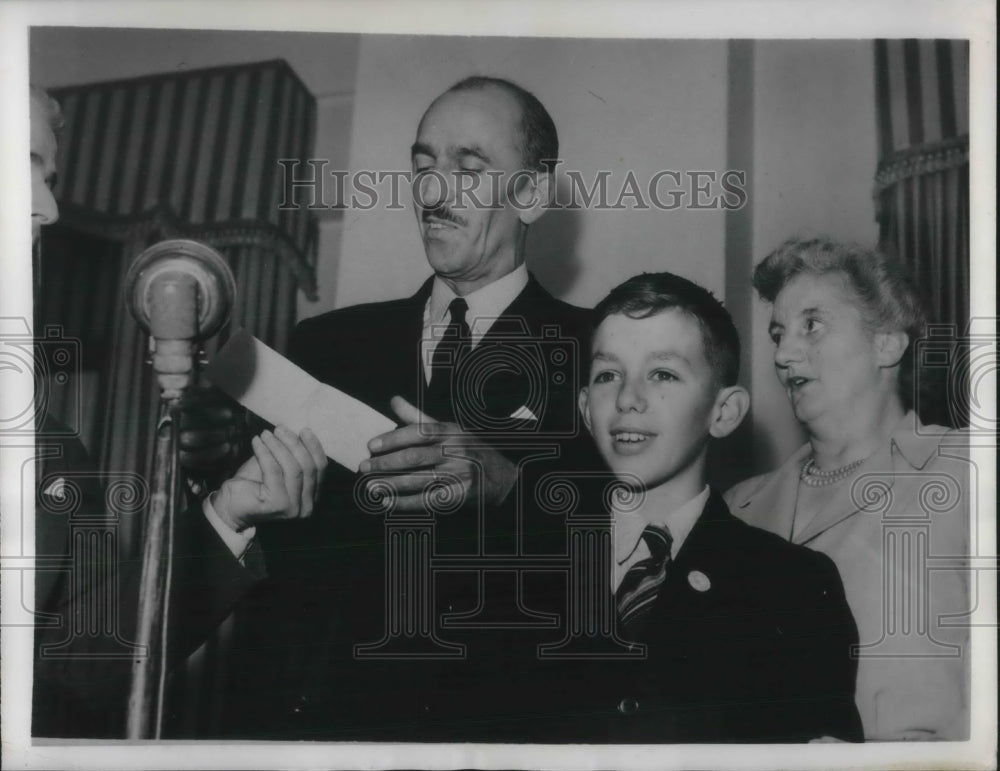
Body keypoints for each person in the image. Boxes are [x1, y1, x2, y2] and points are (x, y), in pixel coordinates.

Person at [173, 75, 603, 740]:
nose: (433, 191)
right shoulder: (324, 342)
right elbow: (249, 553)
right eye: (423, 164)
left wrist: (510, 487)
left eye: (468, 166)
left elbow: (629, 556)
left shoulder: (598, 353)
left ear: (533, 193)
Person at [27, 85, 326, 738]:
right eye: (21, 164)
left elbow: (84, 662)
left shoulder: (49, 450)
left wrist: (225, 514)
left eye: (47, 177)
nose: (46, 207)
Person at [566, 271, 863, 742]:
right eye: (607, 375)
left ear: (723, 413)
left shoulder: (794, 587)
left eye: (662, 373)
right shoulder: (513, 566)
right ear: (585, 408)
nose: (627, 399)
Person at [725, 237, 970, 740]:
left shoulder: (967, 470)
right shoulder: (737, 508)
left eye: (811, 325)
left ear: (887, 343)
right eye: (778, 334)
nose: (784, 354)